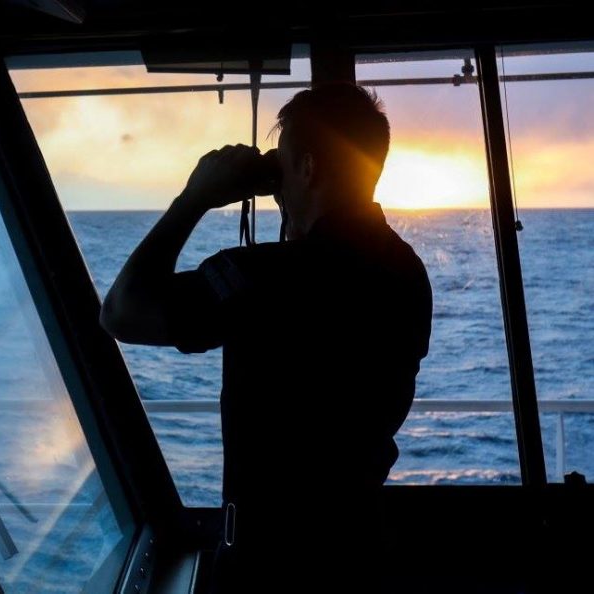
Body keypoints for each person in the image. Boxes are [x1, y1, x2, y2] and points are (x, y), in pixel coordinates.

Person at [100, 83, 432, 592]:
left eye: (283, 167)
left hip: (269, 565)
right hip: (358, 551)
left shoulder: (264, 279)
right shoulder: (406, 271)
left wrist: (195, 198)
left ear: (308, 167)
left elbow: (122, 312)